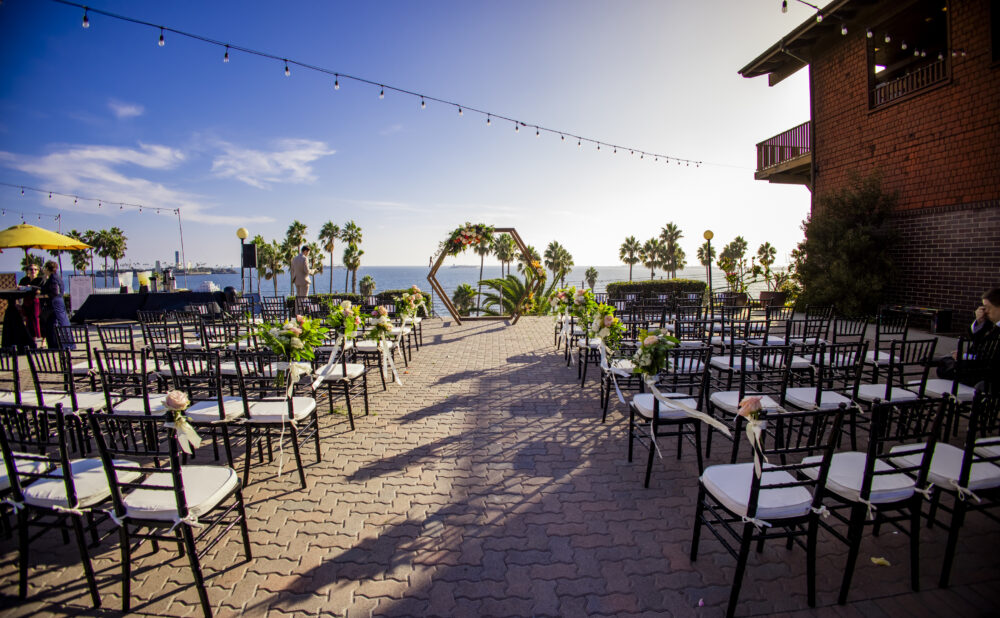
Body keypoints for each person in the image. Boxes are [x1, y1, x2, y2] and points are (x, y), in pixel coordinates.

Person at [937, 287, 1000, 386]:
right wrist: (979, 321)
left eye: (987, 307)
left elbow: (988, 357)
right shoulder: (989, 324)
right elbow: (974, 337)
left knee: (945, 367)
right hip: (976, 364)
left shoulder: (996, 328)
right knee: (944, 365)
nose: (984, 311)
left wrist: (964, 356)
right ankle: (945, 361)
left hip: (983, 371)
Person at [39, 261, 72, 349]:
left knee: (54, 324)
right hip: (58, 303)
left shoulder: (53, 279)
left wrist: (41, 296)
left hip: (54, 305)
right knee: (60, 322)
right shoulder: (56, 277)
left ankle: (57, 344)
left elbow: (55, 292)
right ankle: (65, 344)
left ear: (47, 268)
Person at [18, 262, 43, 339]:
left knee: (37, 320)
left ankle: (42, 339)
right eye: (31, 269)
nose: (33, 271)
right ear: (27, 271)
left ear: (38, 271)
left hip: (37, 302)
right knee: (28, 321)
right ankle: (32, 338)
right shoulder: (24, 280)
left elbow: (43, 291)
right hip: (26, 301)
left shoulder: (40, 280)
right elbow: (19, 290)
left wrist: (32, 288)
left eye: (35, 269)